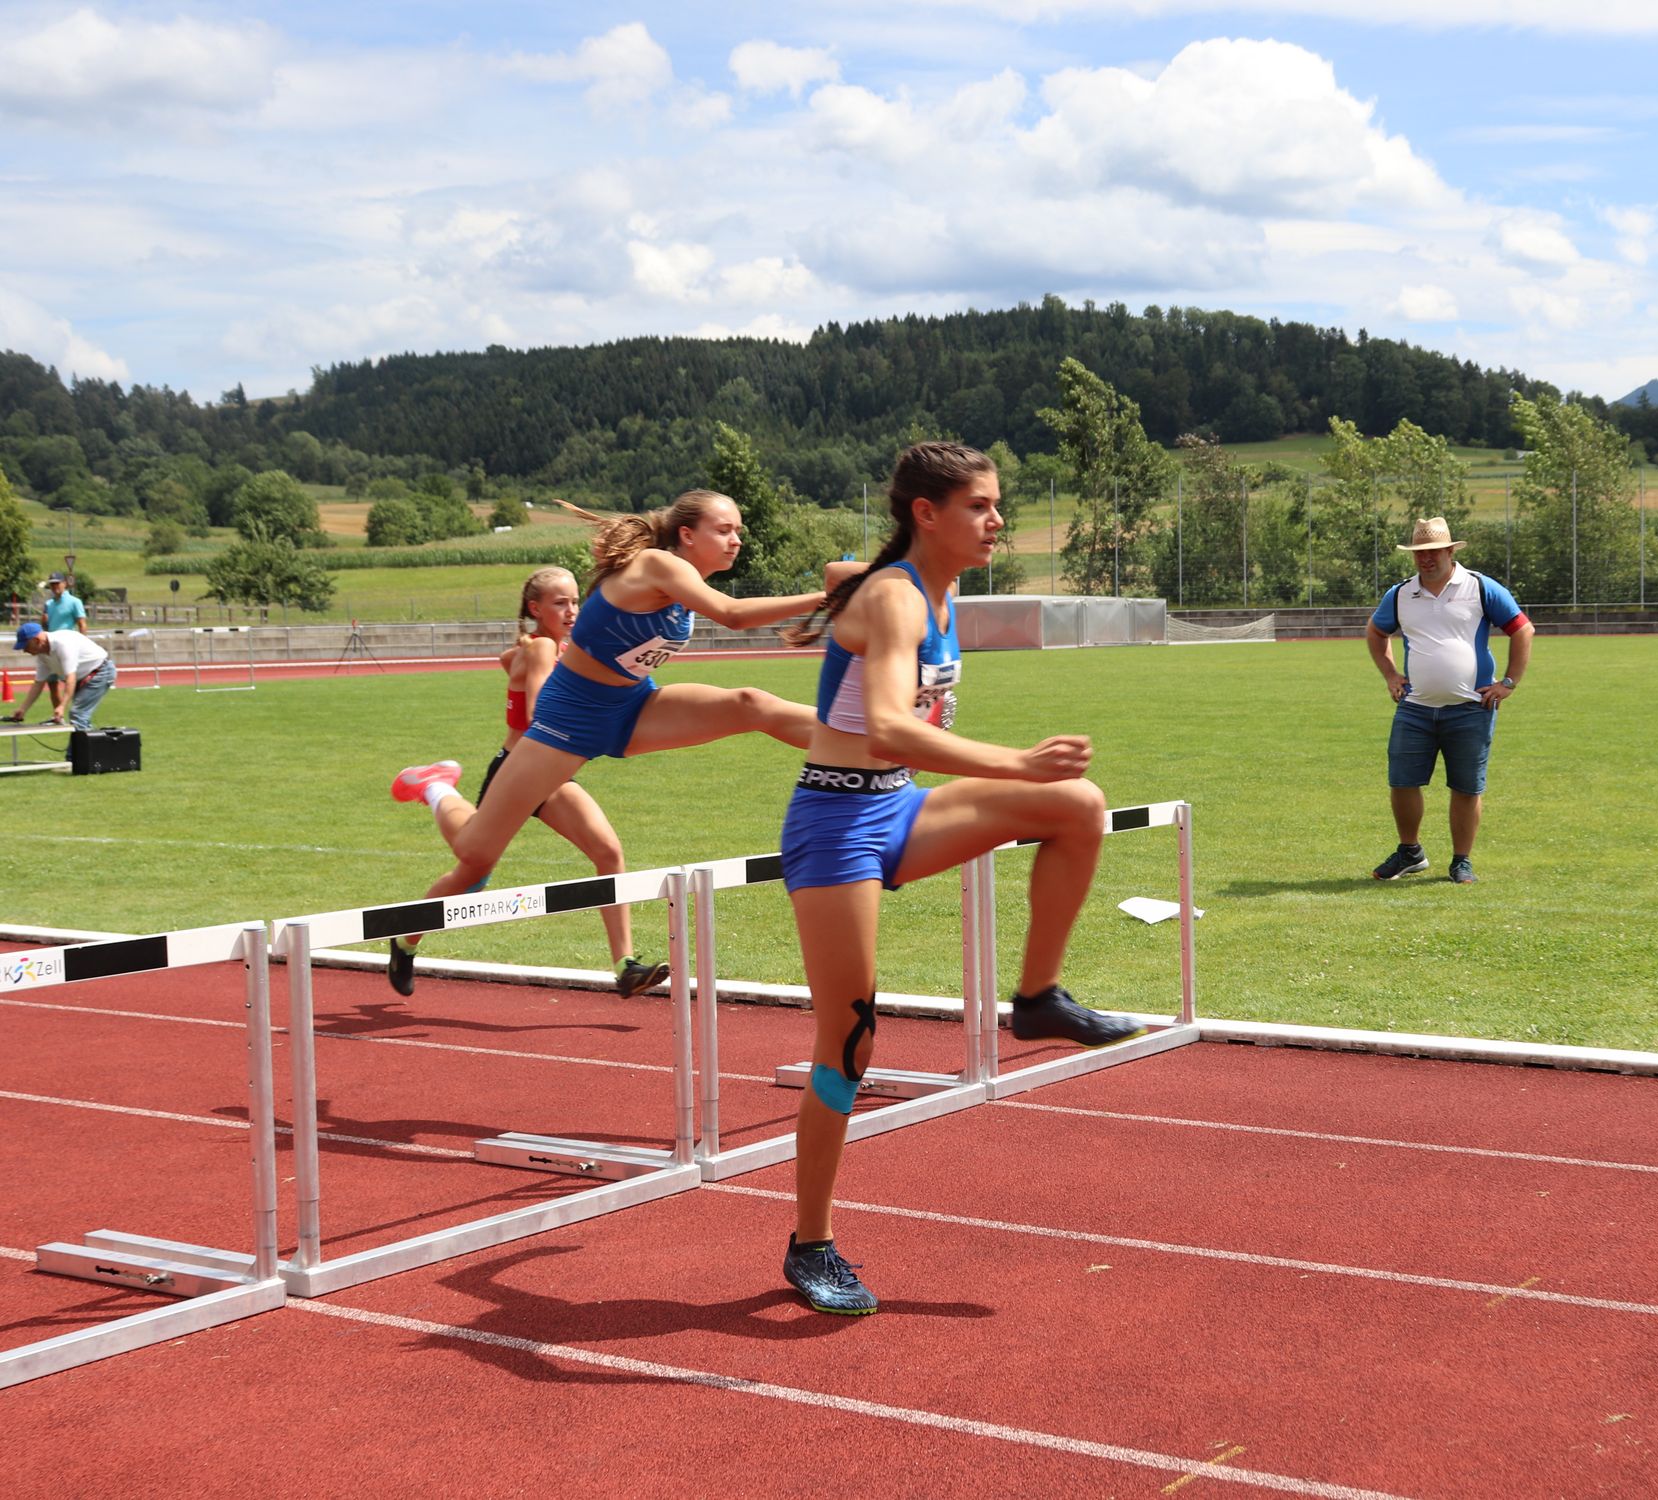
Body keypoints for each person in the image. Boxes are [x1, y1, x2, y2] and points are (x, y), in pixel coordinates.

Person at [772, 440, 1142, 1317]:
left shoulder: (930, 584)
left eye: (996, 503)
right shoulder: (897, 597)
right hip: (834, 827)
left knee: (1078, 806)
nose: (998, 520)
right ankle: (810, 1243)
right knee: (852, 1039)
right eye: (979, 504)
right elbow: (892, 727)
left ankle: (1040, 995)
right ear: (925, 513)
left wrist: (839, 585)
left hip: (898, 808)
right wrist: (1016, 762)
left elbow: (847, 583)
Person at [385, 490, 836, 997]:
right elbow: (731, 615)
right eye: (724, 530)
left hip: (631, 710)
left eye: (738, 531)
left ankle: (859, 739)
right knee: (474, 854)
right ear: (687, 534)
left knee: (748, 704)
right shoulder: (655, 564)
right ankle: (435, 786)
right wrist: (829, 597)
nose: (736, 540)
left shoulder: (681, 579)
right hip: (567, 723)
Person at [437, 564, 667, 997]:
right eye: (560, 602)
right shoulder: (546, 648)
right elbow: (542, 712)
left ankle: (625, 965)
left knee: (608, 851)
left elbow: (508, 661)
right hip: (517, 770)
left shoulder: (544, 648)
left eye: (576, 600)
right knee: (471, 873)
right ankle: (435, 789)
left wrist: (521, 660)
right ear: (535, 608)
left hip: (552, 777)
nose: (572, 610)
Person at [1364, 516, 1533, 885]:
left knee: (1466, 786)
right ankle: (1410, 852)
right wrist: (1391, 675)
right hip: (1415, 708)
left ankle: (1461, 861)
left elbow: (1522, 629)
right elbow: (1376, 632)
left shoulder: (1480, 587)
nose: (1426, 559)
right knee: (1402, 782)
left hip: (1472, 709)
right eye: (1419, 553)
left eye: (1434, 551)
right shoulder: (1400, 594)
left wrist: (1508, 682)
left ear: (1450, 550)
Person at [11, 621, 114, 731]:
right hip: (83, 677)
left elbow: (71, 678)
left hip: (100, 672)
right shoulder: (42, 655)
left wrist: (62, 706)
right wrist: (23, 709)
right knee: (81, 719)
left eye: (26, 646)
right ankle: (89, 746)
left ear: (37, 641)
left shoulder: (63, 644)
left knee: (78, 715)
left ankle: (81, 748)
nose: (24, 651)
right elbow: (38, 683)